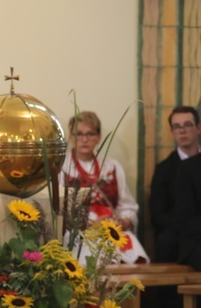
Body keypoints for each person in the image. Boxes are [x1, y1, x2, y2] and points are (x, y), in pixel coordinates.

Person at [59, 110, 147, 263]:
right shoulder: (62, 167)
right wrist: (86, 223)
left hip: (111, 229)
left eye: (90, 134)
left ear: (98, 137)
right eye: (79, 134)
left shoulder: (112, 166)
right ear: (71, 137)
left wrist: (124, 221)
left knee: (133, 253)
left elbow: (127, 205)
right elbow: (58, 209)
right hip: (78, 233)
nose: (84, 139)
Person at [150, 106, 201, 262]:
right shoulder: (164, 169)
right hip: (180, 235)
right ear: (172, 132)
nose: (182, 131)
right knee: (166, 241)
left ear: (198, 128)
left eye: (187, 125)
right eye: (177, 127)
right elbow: (158, 214)